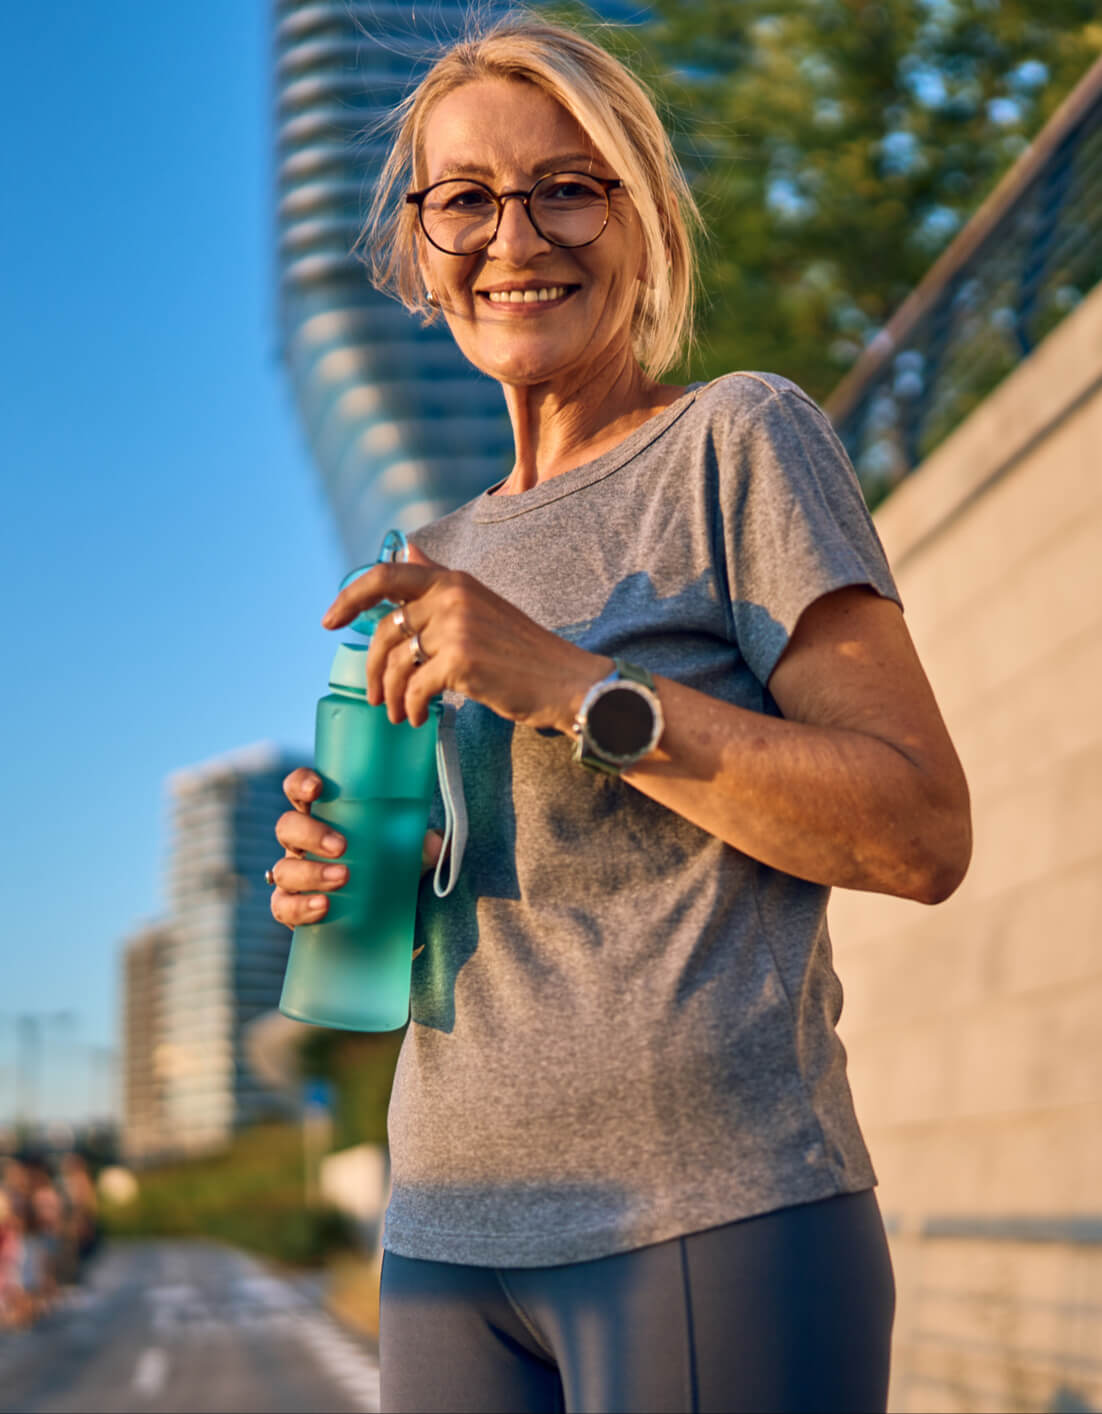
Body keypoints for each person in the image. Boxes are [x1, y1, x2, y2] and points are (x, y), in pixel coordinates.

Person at [270, 12, 971, 1412]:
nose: (513, 235)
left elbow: (916, 830)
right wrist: (363, 876)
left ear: (638, 219)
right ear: (417, 253)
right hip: (445, 1237)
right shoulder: (439, 544)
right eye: (464, 199)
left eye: (566, 186)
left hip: (706, 1212)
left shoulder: (735, 440)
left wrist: (572, 687)